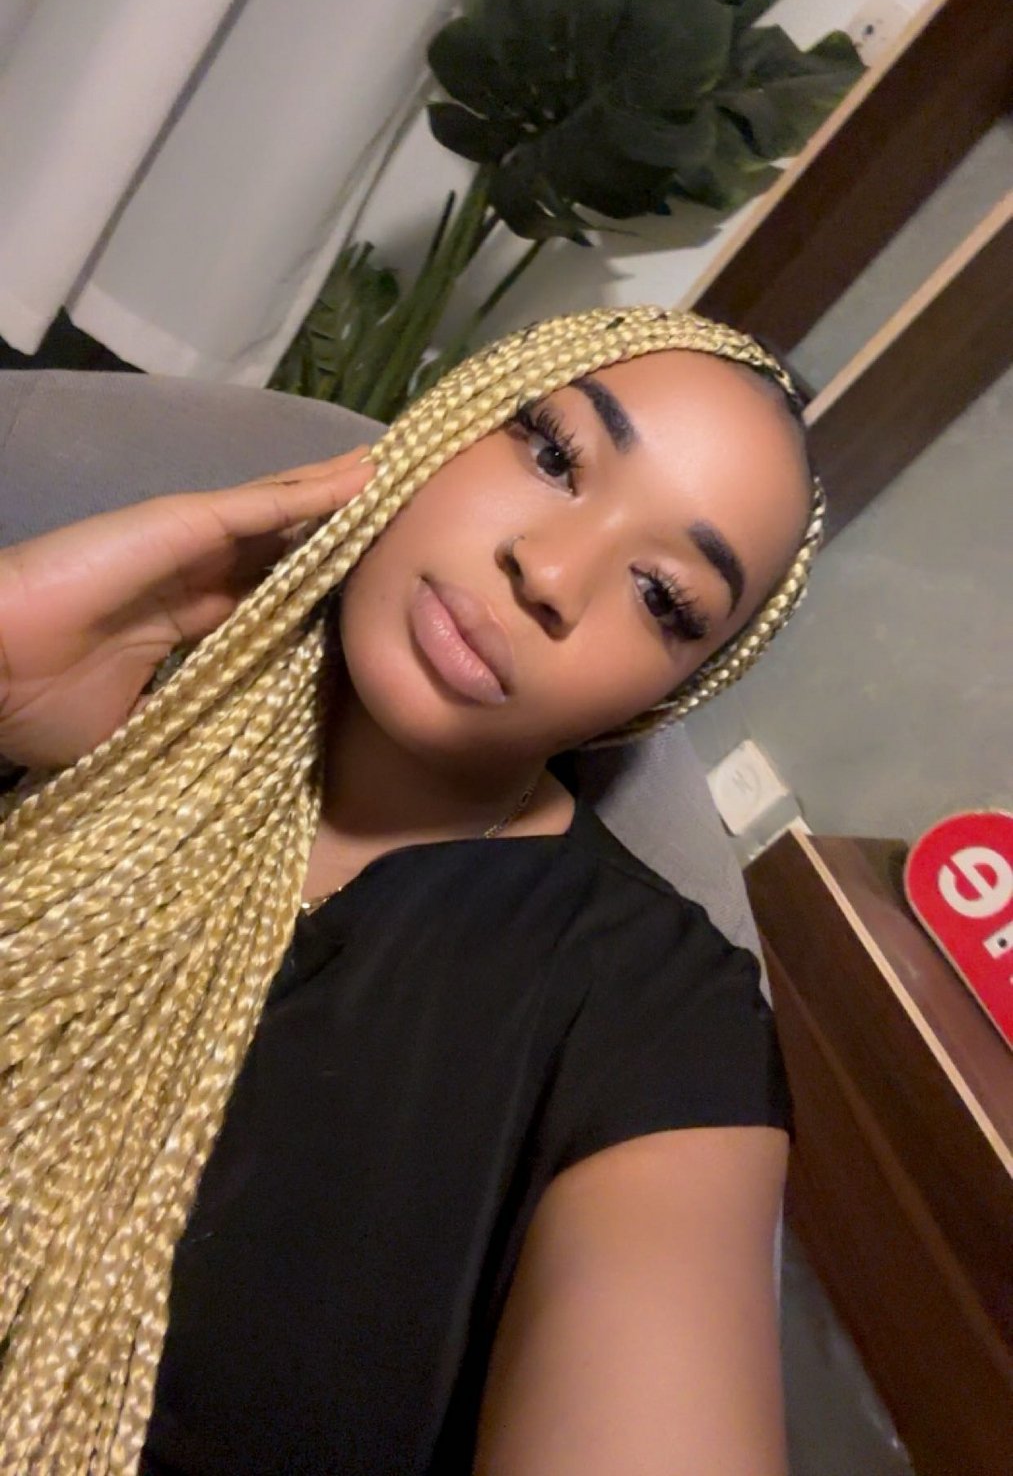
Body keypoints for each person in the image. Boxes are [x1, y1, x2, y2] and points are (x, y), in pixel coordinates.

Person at [0, 304, 824, 1475]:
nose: (549, 572)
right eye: (553, 453)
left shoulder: (651, 1012)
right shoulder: (84, 698)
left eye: (661, 597)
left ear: (668, 691)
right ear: (445, 426)